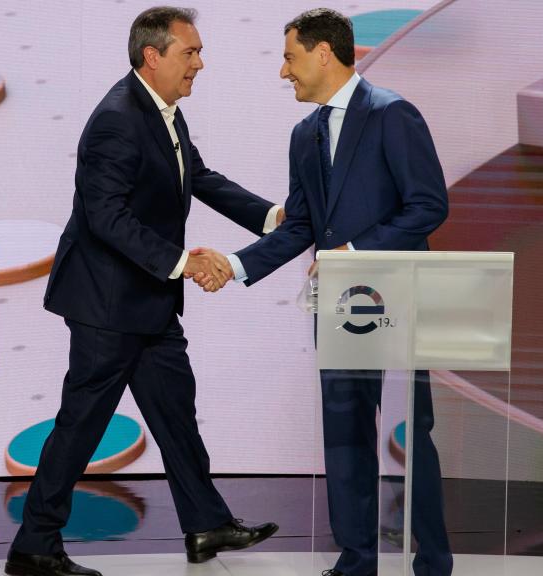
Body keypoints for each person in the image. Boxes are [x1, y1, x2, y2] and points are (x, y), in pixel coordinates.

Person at [5, 7, 281, 576]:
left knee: (176, 411)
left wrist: (272, 218)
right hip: (107, 305)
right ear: (151, 56)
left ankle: (205, 524)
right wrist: (183, 263)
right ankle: (34, 546)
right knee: (81, 424)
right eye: (191, 53)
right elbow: (105, 216)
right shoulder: (116, 118)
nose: (200, 64)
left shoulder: (162, 111)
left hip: (146, 301)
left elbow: (198, 178)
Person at [202, 8, 453, 576]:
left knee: (416, 432)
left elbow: (429, 205)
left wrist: (355, 254)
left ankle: (433, 563)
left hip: (405, 298)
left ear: (323, 52)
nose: (283, 72)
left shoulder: (393, 114)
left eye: (289, 57)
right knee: (344, 431)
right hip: (343, 309)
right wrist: (235, 266)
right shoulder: (304, 133)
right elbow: (300, 226)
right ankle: (356, 560)